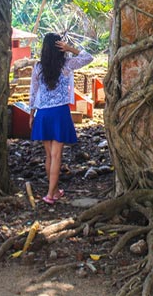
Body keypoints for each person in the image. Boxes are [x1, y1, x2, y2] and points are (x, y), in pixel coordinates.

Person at [29, 33, 93, 204]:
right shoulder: (67, 64)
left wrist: (31, 113)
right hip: (59, 113)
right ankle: (50, 195)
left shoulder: (38, 67)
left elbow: (33, 92)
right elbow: (88, 57)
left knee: (49, 156)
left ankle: (55, 190)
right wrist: (70, 48)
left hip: (42, 113)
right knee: (57, 156)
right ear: (59, 47)